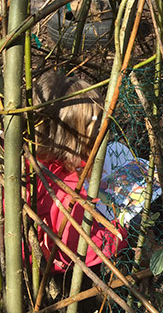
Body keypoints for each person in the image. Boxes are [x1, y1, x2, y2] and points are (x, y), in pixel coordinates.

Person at [30, 71, 127, 272]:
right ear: (78, 140)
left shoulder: (32, 161)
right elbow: (84, 250)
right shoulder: (67, 190)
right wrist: (120, 232)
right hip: (51, 262)